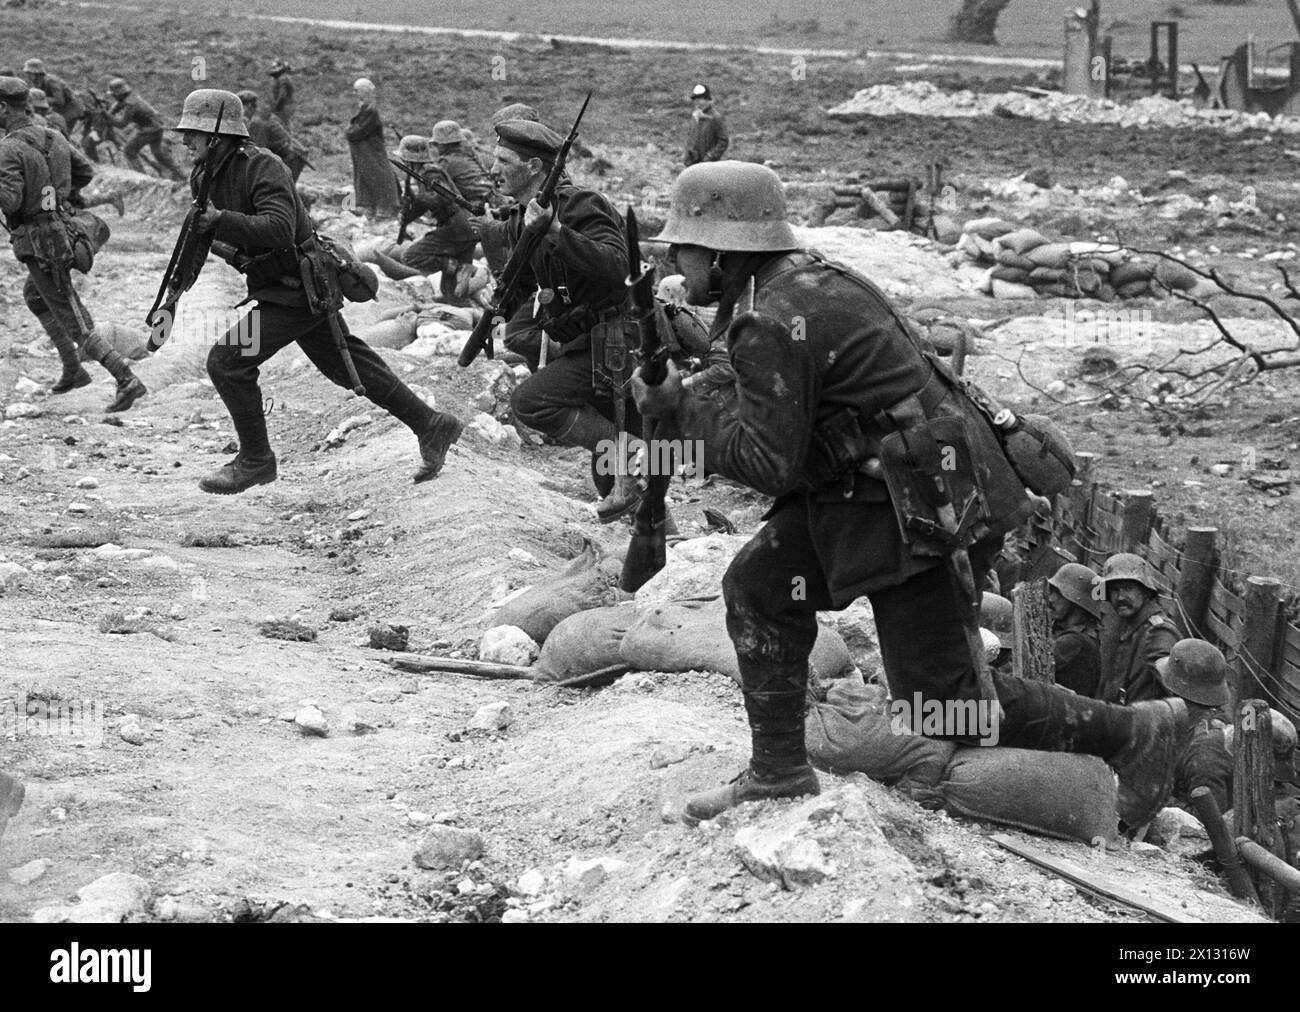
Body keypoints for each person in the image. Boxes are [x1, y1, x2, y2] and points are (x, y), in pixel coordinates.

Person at [632, 160, 1196, 825]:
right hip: (876, 489)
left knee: (943, 703)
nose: (674, 256)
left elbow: (767, 461)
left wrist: (678, 411)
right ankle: (778, 768)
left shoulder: (772, 315)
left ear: (725, 251)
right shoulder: (798, 282)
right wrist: (696, 390)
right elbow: (771, 395)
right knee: (758, 587)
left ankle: (1133, 732)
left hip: (916, 509)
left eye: (686, 243)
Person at [167, 89, 463, 494]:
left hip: (298, 289)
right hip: (278, 288)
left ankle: (256, 460)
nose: (186, 141)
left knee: (228, 361)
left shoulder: (263, 167)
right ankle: (432, 425)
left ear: (218, 136)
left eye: (194, 133)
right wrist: (173, 296)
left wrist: (223, 220)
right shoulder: (205, 175)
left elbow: (279, 229)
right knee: (347, 366)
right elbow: (201, 236)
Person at [488, 118, 641, 522]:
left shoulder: (580, 205)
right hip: (584, 340)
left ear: (535, 167)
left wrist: (556, 230)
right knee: (610, 470)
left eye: (503, 160)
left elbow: (618, 265)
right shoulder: (527, 213)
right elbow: (524, 273)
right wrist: (500, 304)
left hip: (616, 338)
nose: (492, 169)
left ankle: (628, 454)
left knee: (533, 402)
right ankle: (663, 534)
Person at [0, 75, 146, 409]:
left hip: (39, 240)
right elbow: (85, 173)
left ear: (3, 108)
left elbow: (10, 201)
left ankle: (126, 379)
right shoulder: (54, 136)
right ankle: (72, 369)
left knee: (73, 317)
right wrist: (55, 193)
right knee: (35, 296)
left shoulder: (8, 148)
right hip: (62, 230)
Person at [374, 134, 479, 304]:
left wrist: (417, 199)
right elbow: (425, 203)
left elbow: (443, 196)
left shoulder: (430, 172)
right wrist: (408, 216)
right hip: (463, 226)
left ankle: (460, 268)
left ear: (410, 160)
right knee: (450, 291)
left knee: (411, 256)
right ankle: (461, 313)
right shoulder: (422, 174)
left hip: (458, 225)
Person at [1096, 552, 1178, 705]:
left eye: (1128, 588)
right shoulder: (1125, 626)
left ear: (1146, 591)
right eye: (1115, 590)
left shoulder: (1158, 632)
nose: (1120, 597)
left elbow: (1174, 688)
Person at [107, 78, 185, 181]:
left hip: (149, 131)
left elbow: (122, 124)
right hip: (157, 128)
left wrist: (106, 116)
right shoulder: (130, 97)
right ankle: (180, 175)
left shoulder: (131, 105)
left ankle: (142, 178)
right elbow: (117, 106)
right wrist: (109, 112)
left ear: (119, 94)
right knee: (158, 154)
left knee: (129, 151)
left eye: (114, 94)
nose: (113, 96)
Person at [345, 78, 399, 218]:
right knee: (364, 176)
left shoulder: (371, 110)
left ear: (364, 91)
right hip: (363, 151)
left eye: (357, 91)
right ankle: (367, 205)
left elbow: (358, 131)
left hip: (371, 151)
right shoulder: (365, 108)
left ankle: (385, 207)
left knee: (377, 175)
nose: (355, 93)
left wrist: (349, 132)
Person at [1048, 561, 1102, 697]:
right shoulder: (1084, 636)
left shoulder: (1073, 641)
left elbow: (1027, 672)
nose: (1051, 599)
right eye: (1052, 592)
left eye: (1059, 594)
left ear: (1077, 601)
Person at [237, 90, 309, 181]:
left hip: (291, 158)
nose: (239, 112)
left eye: (240, 107)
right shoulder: (260, 117)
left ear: (249, 106)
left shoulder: (257, 122)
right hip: (290, 156)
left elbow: (259, 151)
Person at [22, 59, 85, 139]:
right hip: (61, 107)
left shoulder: (51, 81)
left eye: (29, 73)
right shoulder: (37, 83)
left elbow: (59, 101)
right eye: (27, 73)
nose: (28, 76)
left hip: (72, 107)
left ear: (36, 73)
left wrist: (41, 99)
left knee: (59, 128)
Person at [683, 84, 728, 167]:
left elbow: (723, 141)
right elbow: (690, 140)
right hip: (693, 165)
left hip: (709, 167)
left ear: (707, 99)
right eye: (695, 99)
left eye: (700, 99)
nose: (697, 102)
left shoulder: (715, 117)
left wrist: (710, 156)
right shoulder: (695, 117)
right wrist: (687, 157)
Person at [269, 60, 295, 128]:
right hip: (285, 106)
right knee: (284, 124)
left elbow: (282, 95)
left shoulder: (282, 79)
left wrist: (276, 107)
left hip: (283, 106)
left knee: (282, 125)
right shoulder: (281, 78)